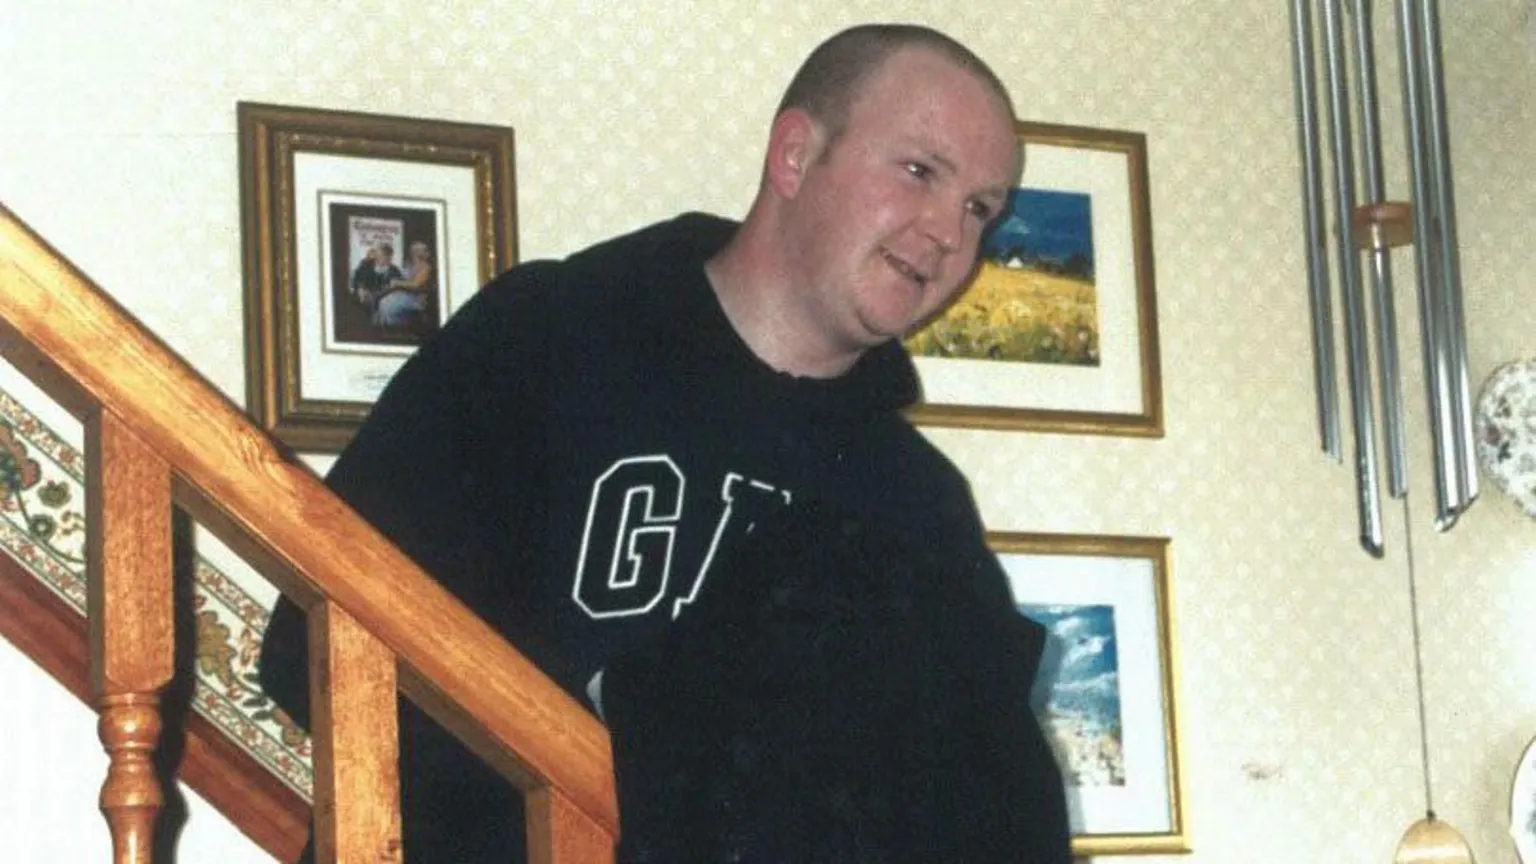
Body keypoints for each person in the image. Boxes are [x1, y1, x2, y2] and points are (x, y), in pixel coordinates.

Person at [260, 22, 1068, 863]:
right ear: (794, 155)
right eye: (919, 172)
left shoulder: (919, 505)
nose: (949, 234)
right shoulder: (543, 340)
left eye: (980, 209)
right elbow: (319, 649)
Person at [373, 240, 434, 329]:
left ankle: (394, 328)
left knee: (388, 305)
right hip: (405, 293)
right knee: (383, 301)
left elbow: (416, 284)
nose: (413, 253)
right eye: (414, 251)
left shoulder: (426, 267)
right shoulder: (409, 265)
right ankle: (384, 328)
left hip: (417, 298)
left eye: (417, 251)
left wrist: (397, 283)